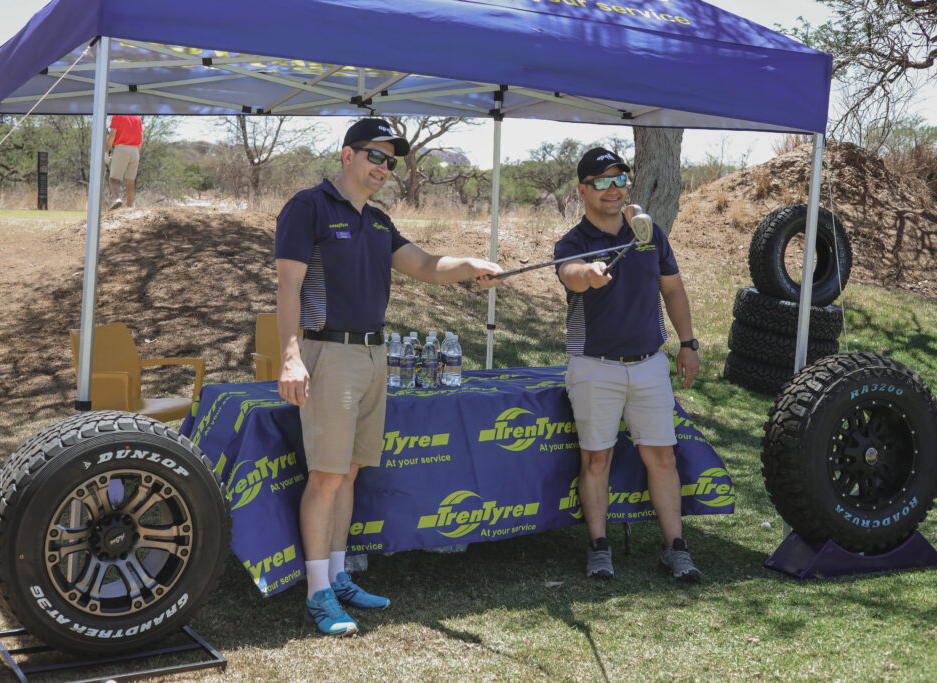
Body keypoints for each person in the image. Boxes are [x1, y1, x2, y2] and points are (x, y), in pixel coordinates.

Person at [274, 118, 502, 636]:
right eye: (375, 156)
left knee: (349, 473)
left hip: (375, 356)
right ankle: (316, 593)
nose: (384, 167)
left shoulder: (378, 221)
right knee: (326, 476)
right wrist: (290, 356)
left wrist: (469, 264)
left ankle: (338, 576)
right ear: (347, 155)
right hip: (328, 353)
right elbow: (288, 286)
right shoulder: (307, 207)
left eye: (391, 161)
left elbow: (425, 265)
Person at [554, 147, 702, 583]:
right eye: (601, 181)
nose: (612, 189)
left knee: (662, 457)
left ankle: (675, 548)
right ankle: (599, 547)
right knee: (596, 461)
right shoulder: (572, 243)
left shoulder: (648, 233)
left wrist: (688, 344)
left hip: (650, 364)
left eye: (619, 179)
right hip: (594, 366)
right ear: (582, 190)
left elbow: (672, 291)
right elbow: (570, 274)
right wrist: (589, 275)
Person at [105, 114, 143, 209]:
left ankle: (117, 199)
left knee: (113, 179)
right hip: (135, 151)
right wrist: (137, 153)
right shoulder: (137, 118)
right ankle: (130, 207)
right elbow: (140, 138)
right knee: (130, 181)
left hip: (122, 148)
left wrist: (106, 151)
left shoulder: (117, 115)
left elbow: (112, 135)